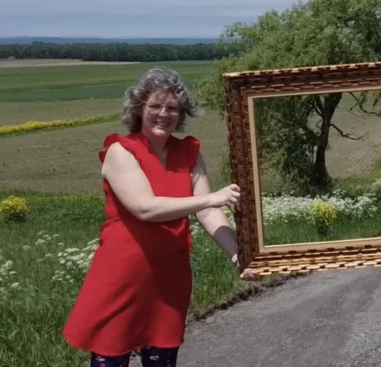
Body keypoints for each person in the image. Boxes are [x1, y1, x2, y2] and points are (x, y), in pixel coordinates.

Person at [63, 66, 259, 367]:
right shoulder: (120, 151)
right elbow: (145, 208)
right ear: (140, 109)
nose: (163, 114)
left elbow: (207, 212)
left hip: (169, 280)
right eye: (155, 106)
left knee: (162, 360)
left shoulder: (189, 152)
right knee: (110, 360)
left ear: (181, 114)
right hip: (122, 279)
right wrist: (210, 197)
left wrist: (238, 253)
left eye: (172, 108)